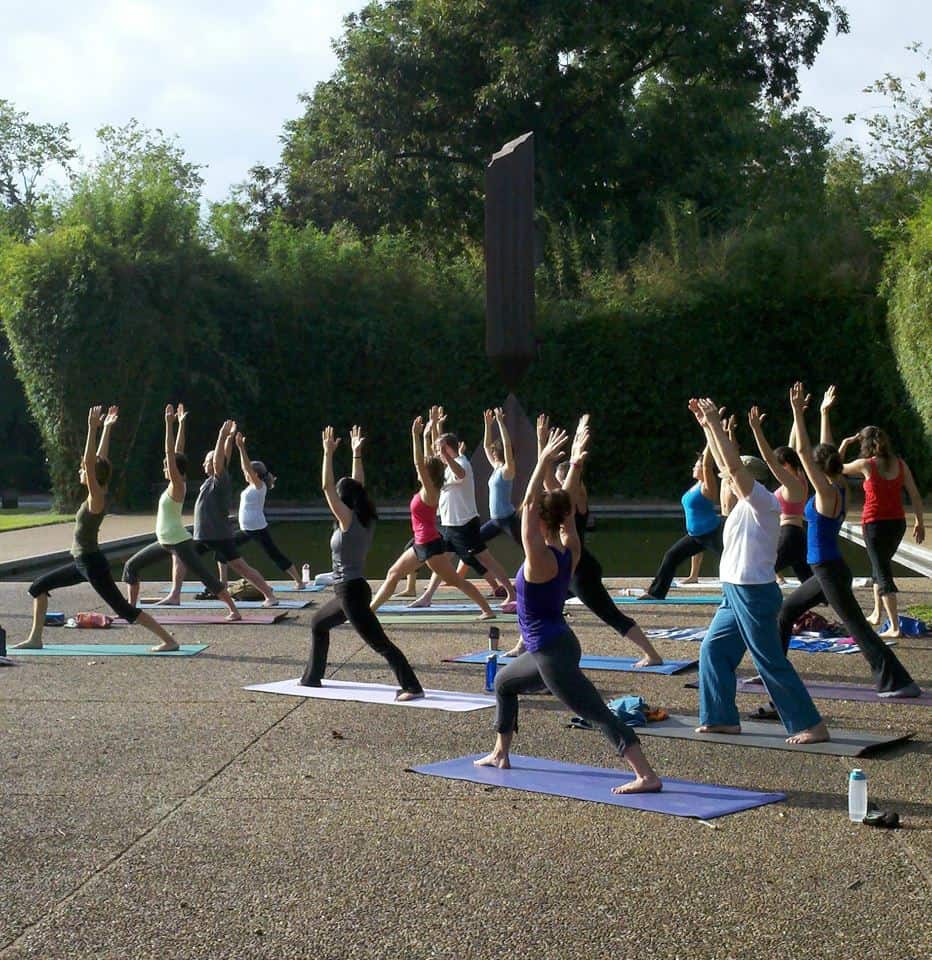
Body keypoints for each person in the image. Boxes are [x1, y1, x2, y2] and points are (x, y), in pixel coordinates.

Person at [474, 424, 662, 794]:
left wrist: (543, 458)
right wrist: (571, 464)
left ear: (541, 522)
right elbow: (565, 512)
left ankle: (646, 775)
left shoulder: (538, 560)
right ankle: (500, 752)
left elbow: (528, 505)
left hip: (551, 653)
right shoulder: (569, 550)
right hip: (555, 645)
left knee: (595, 712)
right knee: (503, 683)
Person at [689, 397, 829, 744]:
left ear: (751, 481)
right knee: (713, 651)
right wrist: (708, 430)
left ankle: (810, 724)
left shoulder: (763, 503)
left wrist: (718, 428)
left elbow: (733, 469)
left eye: (734, 481)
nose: (726, 484)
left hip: (753, 593)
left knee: (768, 661)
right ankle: (721, 718)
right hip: (734, 592)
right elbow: (727, 467)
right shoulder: (742, 507)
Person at [777, 384, 920, 697]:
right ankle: (776, 670)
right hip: (826, 570)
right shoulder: (839, 484)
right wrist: (824, 413)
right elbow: (824, 450)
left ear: (818, 468)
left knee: (856, 626)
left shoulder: (827, 492)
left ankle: (897, 682)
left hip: (828, 570)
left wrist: (796, 414)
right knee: (787, 611)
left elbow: (804, 451)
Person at [16, 406, 181, 653]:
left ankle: (170, 641)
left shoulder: (97, 498)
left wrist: (92, 429)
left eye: (84, 470)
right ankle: (36, 638)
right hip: (82, 562)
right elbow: (100, 461)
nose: (81, 471)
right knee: (38, 586)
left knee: (123, 610)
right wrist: (106, 429)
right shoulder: (99, 490)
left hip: (91, 563)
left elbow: (91, 462)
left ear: (93, 474)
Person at [503, 414, 662, 668]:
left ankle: (652, 654)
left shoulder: (575, 501)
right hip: (571, 559)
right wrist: (560, 453)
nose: (553, 481)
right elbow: (555, 497)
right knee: (535, 602)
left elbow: (543, 498)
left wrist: (549, 456)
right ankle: (524, 643)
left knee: (608, 613)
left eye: (559, 475)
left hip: (580, 570)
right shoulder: (565, 516)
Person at [299, 426, 423, 700]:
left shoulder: (347, 520)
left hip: (350, 592)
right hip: (351, 590)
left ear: (344, 501)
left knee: (379, 642)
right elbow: (358, 485)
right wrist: (356, 453)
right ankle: (312, 678)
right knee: (318, 624)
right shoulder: (362, 516)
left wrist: (327, 454)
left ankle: (412, 686)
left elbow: (326, 487)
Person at [369, 416, 496, 619]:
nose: (418, 472)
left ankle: (487, 610)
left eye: (422, 471)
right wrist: (429, 434)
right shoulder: (428, 486)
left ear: (427, 474)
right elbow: (429, 461)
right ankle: (370, 612)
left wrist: (415, 436)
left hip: (429, 545)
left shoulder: (431, 491)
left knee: (456, 580)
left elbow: (420, 463)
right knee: (393, 573)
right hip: (420, 543)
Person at [122, 405, 240, 621]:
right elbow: (177, 452)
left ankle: (233, 610)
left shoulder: (177, 485)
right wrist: (181, 423)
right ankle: (131, 609)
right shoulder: (174, 482)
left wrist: (168, 424)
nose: (165, 468)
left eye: (168, 467)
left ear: (176, 470)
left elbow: (171, 454)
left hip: (178, 541)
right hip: (165, 541)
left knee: (205, 576)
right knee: (131, 566)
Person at [824, 390, 925, 637]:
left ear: (865, 444)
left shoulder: (866, 465)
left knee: (882, 571)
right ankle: (877, 613)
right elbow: (914, 494)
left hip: (875, 524)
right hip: (898, 524)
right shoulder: (900, 464)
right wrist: (919, 522)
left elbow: (834, 469)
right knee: (878, 565)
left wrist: (845, 445)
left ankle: (895, 626)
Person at [407, 407, 516, 609]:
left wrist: (445, 455)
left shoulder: (461, 463)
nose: (437, 452)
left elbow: (461, 475)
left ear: (448, 449)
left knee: (486, 559)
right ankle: (428, 596)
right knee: (440, 560)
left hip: (465, 525)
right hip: (450, 525)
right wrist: (433, 428)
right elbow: (429, 458)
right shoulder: (446, 465)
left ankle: (510, 592)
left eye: (441, 449)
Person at [161, 419, 278, 607]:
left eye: (208, 461)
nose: (204, 464)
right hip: (204, 535)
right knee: (181, 557)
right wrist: (229, 440)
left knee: (241, 567)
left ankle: (269, 595)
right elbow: (225, 457)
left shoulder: (220, 479)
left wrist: (222, 436)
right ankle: (175, 595)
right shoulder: (210, 481)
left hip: (218, 535)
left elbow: (220, 461)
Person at [637, 440, 722, 599]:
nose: (694, 467)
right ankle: (656, 593)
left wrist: (711, 435)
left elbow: (707, 463)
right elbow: (704, 460)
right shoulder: (696, 485)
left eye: (696, 466)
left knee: (730, 562)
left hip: (713, 533)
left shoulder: (707, 486)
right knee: (671, 556)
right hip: (695, 536)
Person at [230, 431, 305, 589]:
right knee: (224, 549)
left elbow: (246, 467)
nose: (245, 474)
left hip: (256, 528)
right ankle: (223, 581)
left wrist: (241, 448)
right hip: (247, 529)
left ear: (255, 474)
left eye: (248, 472)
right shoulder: (252, 487)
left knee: (274, 554)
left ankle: (299, 582)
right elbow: (247, 470)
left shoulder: (259, 486)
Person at [747, 406, 812, 584]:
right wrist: (797, 414)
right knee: (811, 584)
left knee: (760, 573)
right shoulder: (798, 478)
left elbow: (770, 459)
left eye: (779, 465)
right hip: (795, 535)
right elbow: (792, 446)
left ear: (787, 464)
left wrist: (757, 430)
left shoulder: (793, 483)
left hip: (789, 535)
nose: (776, 470)